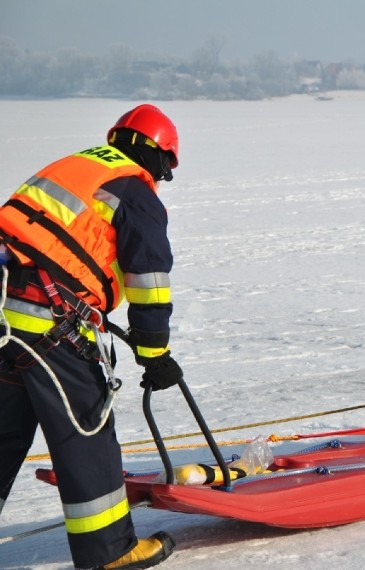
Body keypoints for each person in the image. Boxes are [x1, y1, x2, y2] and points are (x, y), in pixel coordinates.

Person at [0, 104, 183, 569]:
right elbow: (149, 279)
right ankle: (109, 553)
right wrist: (154, 354)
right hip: (50, 325)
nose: (162, 181)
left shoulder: (73, 167)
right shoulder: (134, 190)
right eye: (167, 169)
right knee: (88, 435)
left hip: (6, 317)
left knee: (2, 435)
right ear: (159, 156)